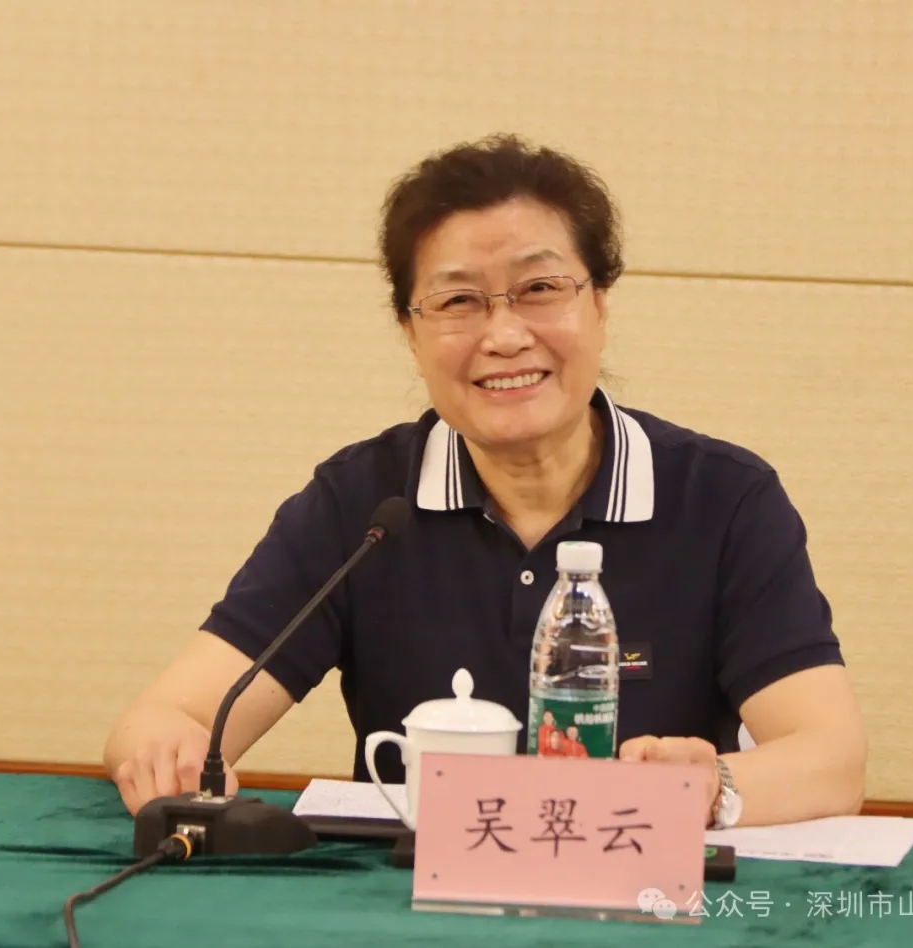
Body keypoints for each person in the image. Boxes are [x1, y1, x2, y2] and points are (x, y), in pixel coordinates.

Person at [103, 133, 867, 829]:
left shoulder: (723, 499)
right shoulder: (362, 504)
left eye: (540, 290)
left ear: (600, 303)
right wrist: (165, 747)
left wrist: (708, 786)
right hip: (405, 902)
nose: (504, 336)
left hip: (639, 892)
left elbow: (830, 759)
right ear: (410, 332)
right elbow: (169, 716)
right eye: (459, 301)